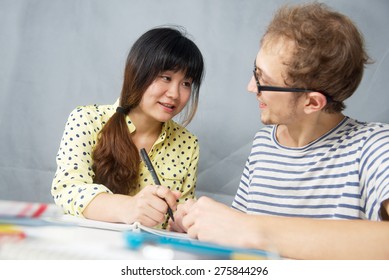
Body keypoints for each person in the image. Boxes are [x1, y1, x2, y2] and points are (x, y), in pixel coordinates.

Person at [169, 3, 389, 259]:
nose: (252, 86)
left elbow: (249, 229)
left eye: (265, 80)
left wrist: (254, 229)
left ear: (312, 102)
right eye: (256, 71)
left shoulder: (375, 147)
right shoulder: (264, 144)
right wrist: (197, 223)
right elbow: (241, 235)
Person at [51, 26, 204, 229]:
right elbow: (68, 190)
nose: (174, 94)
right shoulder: (86, 119)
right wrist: (129, 208)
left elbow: (177, 218)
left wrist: (185, 221)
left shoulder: (188, 144)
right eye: (166, 78)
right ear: (138, 73)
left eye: (186, 83)